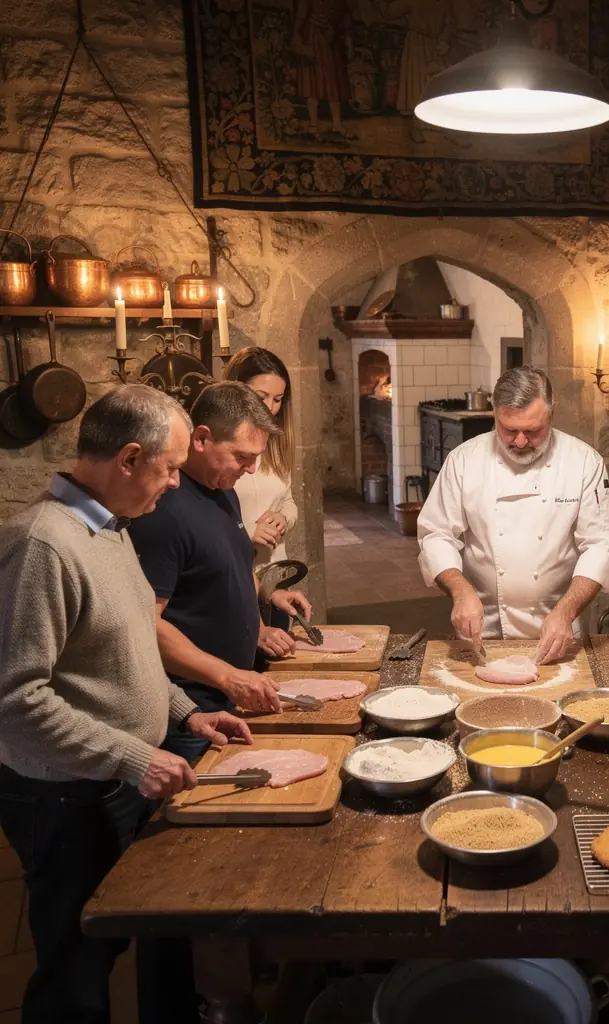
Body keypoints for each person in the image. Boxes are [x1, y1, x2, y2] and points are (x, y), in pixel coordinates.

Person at [0, 385, 252, 1024]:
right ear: (130, 459)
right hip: (66, 795)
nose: (174, 483)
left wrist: (182, 713)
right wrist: (134, 756)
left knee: (146, 928)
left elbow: (131, 651)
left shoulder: (111, 530)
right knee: (77, 965)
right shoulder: (43, 545)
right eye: (169, 468)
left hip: (117, 775)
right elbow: (16, 699)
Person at [128, 381, 312, 765]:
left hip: (228, 695)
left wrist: (262, 607)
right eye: (242, 456)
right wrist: (227, 676)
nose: (252, 469)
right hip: (191, 710)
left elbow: (234, 563)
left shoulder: (222, 489)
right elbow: (147, 623)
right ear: (202, 438)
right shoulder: (163, 511)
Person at [417, 365, 609, 664]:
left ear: (552, 413)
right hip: (481, 627)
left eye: (533, 431)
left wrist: (566, 612)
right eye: (509, 429)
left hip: (560, 628)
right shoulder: (464, 460)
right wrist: (459, 591)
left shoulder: (583, 462)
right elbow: (437, 534)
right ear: (494, 413)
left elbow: (601, 546)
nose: (521, 442)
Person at [224, 347, 298, 571]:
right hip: (232, 571)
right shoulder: (217, 448)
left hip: (274, 569)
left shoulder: (276, 444)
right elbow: (199, 519)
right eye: (260, 397)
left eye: (277, 399)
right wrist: (246, 530)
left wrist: (283, 518)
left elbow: (288, 502)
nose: (269, 408)